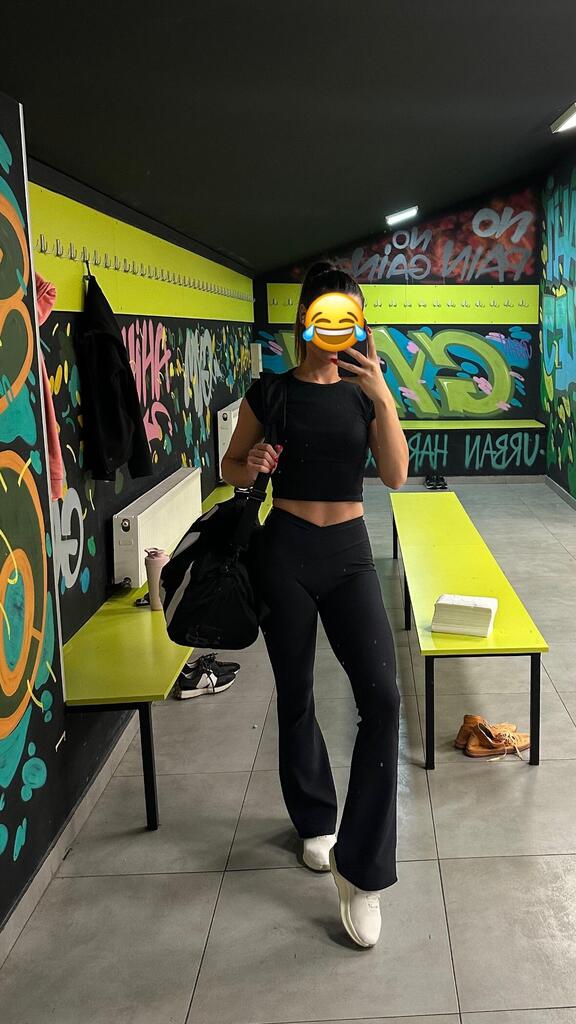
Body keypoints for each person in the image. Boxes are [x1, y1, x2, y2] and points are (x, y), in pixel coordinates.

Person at [220, 262, 409, 948]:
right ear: (306, 319)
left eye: (350, 319)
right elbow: (230, 466)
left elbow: (395, 474)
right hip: (287, 553)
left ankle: (362, 872)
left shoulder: (365, 394)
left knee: (383, 698)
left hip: (351, 553)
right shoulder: (271, 392)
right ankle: (314, 818)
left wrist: (383, 397)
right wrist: (252, 467)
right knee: (296, 695)